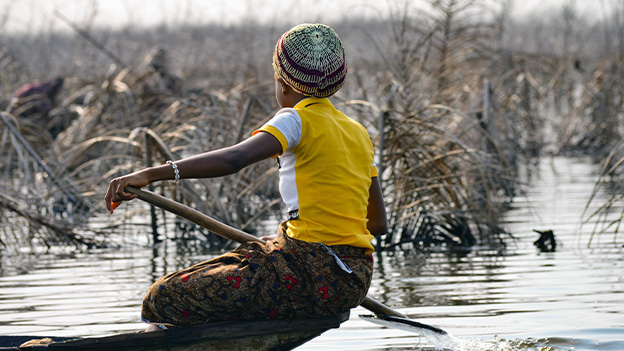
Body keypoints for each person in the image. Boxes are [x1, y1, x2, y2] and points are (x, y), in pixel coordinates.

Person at [105, 23, 387, 329]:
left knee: (162, 298)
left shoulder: (295, 119)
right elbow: (377, 224)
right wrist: (290, 240)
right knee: (238, 266)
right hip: (353, 281)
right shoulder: (359, 133)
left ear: (283, 82)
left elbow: (234, 158)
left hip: (307, 277)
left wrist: (152, 173)